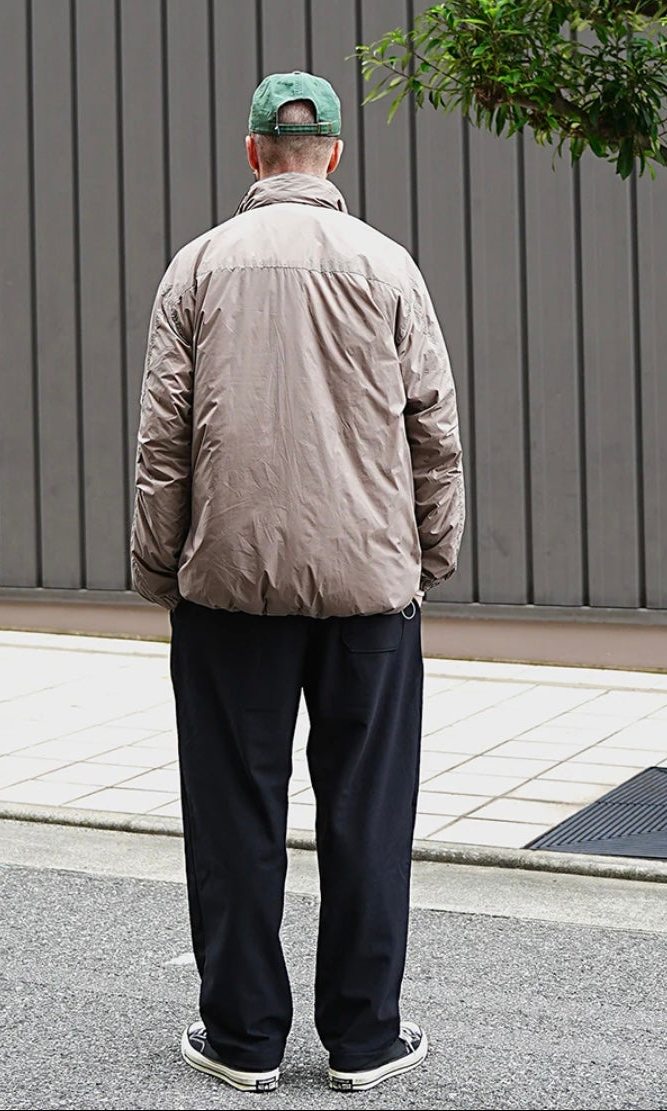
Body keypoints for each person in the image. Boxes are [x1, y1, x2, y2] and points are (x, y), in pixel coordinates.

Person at [131, 70, 464, 1094]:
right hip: (369, 589)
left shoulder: (197, 268)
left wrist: (160, 568)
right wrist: (428, 555)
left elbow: (162, 443)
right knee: (368, 810)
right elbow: (433, 433)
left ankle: (243, 1038)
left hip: (228, 591)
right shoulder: (387, 266)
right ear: (335, 155)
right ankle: (364, 1037)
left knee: (234, 810)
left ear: (251, 152)